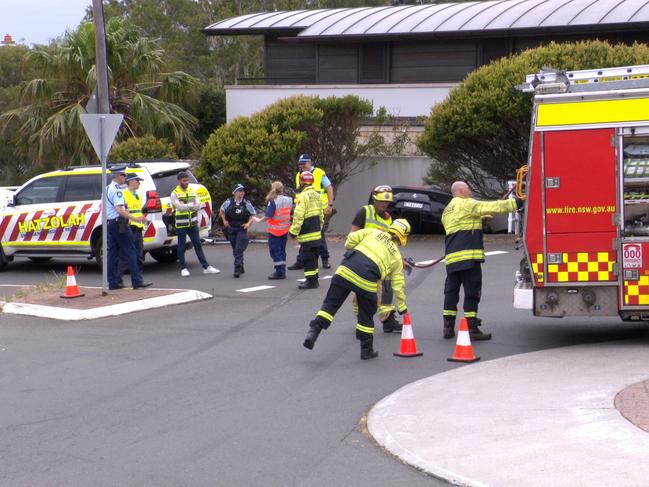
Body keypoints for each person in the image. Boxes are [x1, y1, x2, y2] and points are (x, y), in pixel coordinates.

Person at [303, 219, 410, 360]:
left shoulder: (373, 232)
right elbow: (398, 284)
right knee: (366, 314)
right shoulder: (396, 257)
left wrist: (354, 248)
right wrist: (402, 308)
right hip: (366, 280)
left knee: (329, 306)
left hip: (345, 270)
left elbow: (351, 239)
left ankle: (314, 330)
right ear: (403, 237)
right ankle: (366, 350)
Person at [441, 181, 522, 340]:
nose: (470, 192)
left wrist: (480, 220)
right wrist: (517, 202)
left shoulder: (446, 211)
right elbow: (494, 207)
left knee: (451, 293)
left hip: (452, 259)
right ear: (462, 191)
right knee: (472, 293)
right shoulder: (466, 204)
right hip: (469, 257)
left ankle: (448, 328)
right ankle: (471, 328)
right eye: (469, 189)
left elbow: (461, 225)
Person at [349, 184, 402, 333]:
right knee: (364, 292)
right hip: (362, 260)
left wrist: (398, 260)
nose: (384, 205)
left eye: (386, 202)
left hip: (380, 261)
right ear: (374, 200)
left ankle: (388, 320)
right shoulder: (364, 212)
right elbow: (352, 236)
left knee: (387, 287)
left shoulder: (388, 218)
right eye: (381, 202)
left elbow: (389, 242)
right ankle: (362, 317)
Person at [105, 165, 152, 290]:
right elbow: (119, 209)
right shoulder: (117, 190)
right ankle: (137, 281)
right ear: (118, 176)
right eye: (123, 175)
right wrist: (136, 218)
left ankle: (114, 282)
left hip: (111, 223)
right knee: (131, 251)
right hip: (120, 223)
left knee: (113, 253)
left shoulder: (107, 188)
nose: (124, 178)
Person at [288, 154, 334, 270]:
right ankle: (301, 260)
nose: (302, 166)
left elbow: (329, 188)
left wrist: (330, 205)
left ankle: (325, 259)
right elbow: (299, 192)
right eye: (300, 164)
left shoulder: (318, 173)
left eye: (304, 163)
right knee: (304, 236)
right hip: (304, 208)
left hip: (318, 210)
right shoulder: (299, 175)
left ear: (310, 162)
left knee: (320, 235)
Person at [170, 171, 220, 277]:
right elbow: (179, 207)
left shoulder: (192, 191)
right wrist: (192, 205)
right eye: (184, 180)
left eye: (187, 180)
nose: (186, 182)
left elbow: (198, 204)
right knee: (181, 246)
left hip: (192, 223)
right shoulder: (175, 193)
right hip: (181, 224)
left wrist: (190, 205)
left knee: (198, 245)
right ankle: (183, 268)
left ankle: (206, 267)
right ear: (179, 181)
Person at [289, 171, 324, 290]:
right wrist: (319, 228)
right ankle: (314, 279)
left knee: (308, 258)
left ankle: (311, 282)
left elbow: (298, 216)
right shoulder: (318, 195)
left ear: (301, 182)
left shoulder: (302, 197)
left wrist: (293, 232)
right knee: (314, 258)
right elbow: (321, 216)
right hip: (316, 234)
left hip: (306, 235)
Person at [253, 181, 293, 280]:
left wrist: (258, 220)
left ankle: (279, 272)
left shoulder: (273, 201)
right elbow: (290, 213)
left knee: (275, 251)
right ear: (282, 189)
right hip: (285, 229)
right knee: (282, 250)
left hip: (275, 231)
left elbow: (268, 216)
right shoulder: (289, 200)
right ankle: (282, 270)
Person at [219, 184, 256, 278]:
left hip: (241, 228)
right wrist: (224, 221)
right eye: (239, 191)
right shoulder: (229, 202)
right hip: (231, 228)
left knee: (239, 249)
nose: (242, 193)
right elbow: (221, 211)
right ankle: (241, 265)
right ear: (234, 193)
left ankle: (237, 268)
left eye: (243, 191)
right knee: (235, 249)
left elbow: (253, 214)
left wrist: (248, 224)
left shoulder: (246, 203)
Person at [117, 173, 146, 283]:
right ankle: (118, 278)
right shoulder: (124, 194)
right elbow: (122, 211)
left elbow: (137, 211)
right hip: (130, 228)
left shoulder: (136, 195)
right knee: (126, 254)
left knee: (139, 255)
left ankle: (139, 280)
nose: (139, 183)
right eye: (137, 180)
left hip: (138, 228)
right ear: (131, 181)